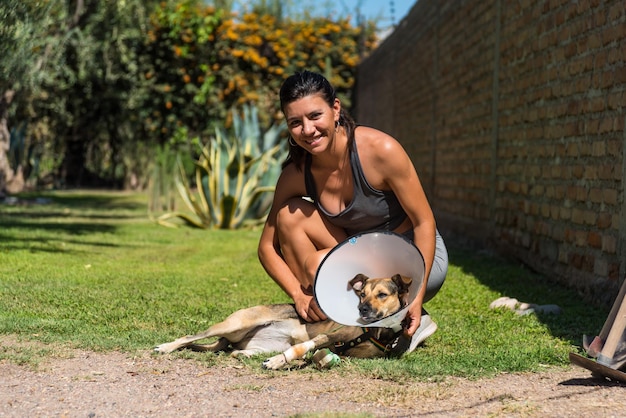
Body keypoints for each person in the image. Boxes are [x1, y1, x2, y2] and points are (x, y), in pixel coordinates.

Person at [258, 70, 448, 350]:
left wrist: (416, 295)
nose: (307, 130)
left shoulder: (380, 150)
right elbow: (266, 248)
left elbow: (424, 221)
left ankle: (396, 321)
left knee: (317, 264)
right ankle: (340, 321)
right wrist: (299, 296)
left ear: (335, 109)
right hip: (360, 255)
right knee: (290, 215)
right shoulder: (296, 174)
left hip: (411, 257)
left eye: (315, 116)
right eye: (295, 122)